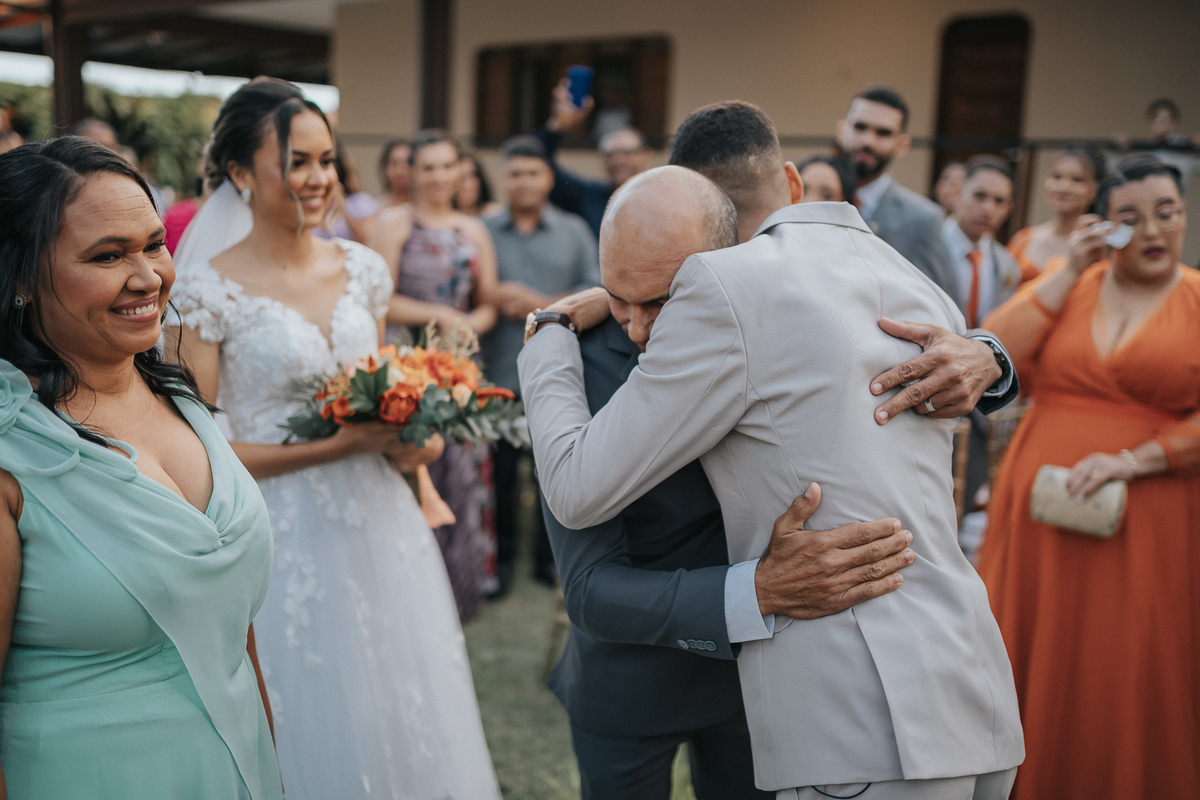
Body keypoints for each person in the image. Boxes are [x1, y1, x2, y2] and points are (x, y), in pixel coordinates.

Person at [520, 108, 1024, 797]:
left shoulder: (732, 295)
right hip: (960, 679)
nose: (639, 328)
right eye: (619, 298)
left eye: (663, 298)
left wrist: (542, 333)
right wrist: (990, 356)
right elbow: (588, 580)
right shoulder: (886, 266)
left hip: (851, 701)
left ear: (715, 245)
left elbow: (576, 483)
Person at [167, 78, 500, 799]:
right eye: (296, 161)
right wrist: (341, 448)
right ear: (239, 174)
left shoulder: (363, 271)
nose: (319, 178)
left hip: (383, 524)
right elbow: (197, 452)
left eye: (326, 159)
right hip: (275, 536)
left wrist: (419, 440)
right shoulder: (204, 291)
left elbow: (382, 388)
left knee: (399, 698)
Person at [0, 137, 282, 798]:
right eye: (107, 255)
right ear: (17, 277)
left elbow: (232, 630)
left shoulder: (182, 400)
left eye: (153, 244)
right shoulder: (11, 458)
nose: (149, 276)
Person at [978, 154, 1200, 800]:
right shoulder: (1070, 283)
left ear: (1184, 216)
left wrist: (1135, 461)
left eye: (1168, 213)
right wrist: (1070, 268)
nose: (1153, 231)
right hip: (1040, 508)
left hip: (1152, 515)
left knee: (1128, 659)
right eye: (1132, 219)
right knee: (1034, 650)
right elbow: (995, 350)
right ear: (1107, 226)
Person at [368, 128, 502, 620]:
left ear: (462, 171)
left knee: (464, 476)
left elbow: (487, 302)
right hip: (409, 365)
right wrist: (439, 314)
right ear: (411, 172)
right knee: (419, 469)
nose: (440, 176)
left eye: (449, 166)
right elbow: (377, 296)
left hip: (463, 368)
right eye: (429, 167)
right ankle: (413, 591)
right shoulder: (394, 223)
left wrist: (468, 324)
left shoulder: (475, 229)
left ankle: (462, 587)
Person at [478, 134, 600, 594]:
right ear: (504, 178)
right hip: (497, 371)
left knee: (554, 474)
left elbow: (595, 290)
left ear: (548, 178)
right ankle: (503, 561)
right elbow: (468, 287)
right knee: (501, 477)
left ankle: (551, 563)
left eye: (532, 173)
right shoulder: (483, 230)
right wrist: (497, 297)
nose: (523, 182)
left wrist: (536, 304)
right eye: (514, 173)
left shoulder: (573, 231)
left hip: (557, 375)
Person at [941, 154, 1023, 537]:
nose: (988, 208)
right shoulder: (926, 247)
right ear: (958, 193)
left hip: (977, 408)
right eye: (980, 196)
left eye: (999, 201)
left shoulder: (1008, 265)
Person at [836, 86, 960, 299]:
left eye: (883, 133)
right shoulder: (808, 200)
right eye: (860, 127)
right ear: (842, 131)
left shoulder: (924, 220)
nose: (868, 141)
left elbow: (942, 306)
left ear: (902, 145)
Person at [534, 76, 655, 238]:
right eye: (610, 154)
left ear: (646, 155)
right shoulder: (587, 197)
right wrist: (557, 126)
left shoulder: (661, 202)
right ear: (601, 160)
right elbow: (535, 160)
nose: (618, 161)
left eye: (626, 153)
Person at [1007, 146, 1105, 282]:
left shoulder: (1097, 247)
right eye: (1057, 176)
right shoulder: (1023, 240)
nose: (1064, 187)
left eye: (1077, 179)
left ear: (1094, 190)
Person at [455, 149, 502, 216]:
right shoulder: (440, 221)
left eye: (473, 175)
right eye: (461, 178)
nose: (467, 185)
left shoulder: (496, 214)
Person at [377, 137, 411, 208]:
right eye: (394, 164)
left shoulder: (425, 208)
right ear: (385, 167)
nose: (400, 171)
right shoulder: (375, 208)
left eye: (405, 164)